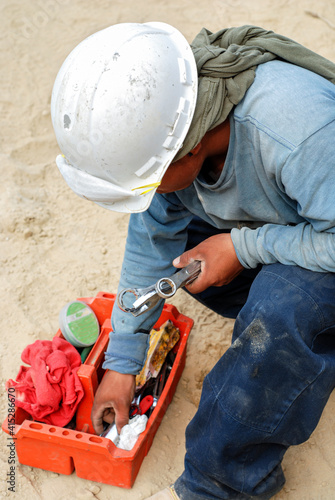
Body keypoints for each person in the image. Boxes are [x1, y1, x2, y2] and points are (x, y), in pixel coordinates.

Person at [51, 21, 335, 499]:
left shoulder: (296, 130)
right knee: (188, 261)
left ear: (192, 143)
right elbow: (151, 242)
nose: (148, 195)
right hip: (295, 226)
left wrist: (243, 248)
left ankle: (217, 485)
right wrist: (123, 363)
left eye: (147, 182)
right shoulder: (174, 130)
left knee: (281, 310)